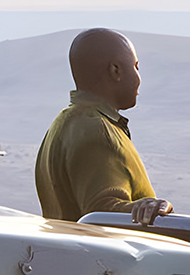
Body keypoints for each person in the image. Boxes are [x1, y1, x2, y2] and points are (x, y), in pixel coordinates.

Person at [36, 28, 170, 224]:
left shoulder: (63, 122)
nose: (139, 76)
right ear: (115, 70)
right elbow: (100, 214)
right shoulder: (98, 130)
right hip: (100, 254)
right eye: (135, 66)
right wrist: (152, 208)